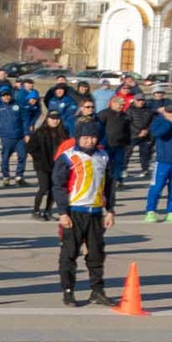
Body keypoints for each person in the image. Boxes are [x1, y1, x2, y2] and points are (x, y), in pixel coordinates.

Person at [53, 115, 114, 307]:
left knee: (96, 254)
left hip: (95, 212)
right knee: (69, 254)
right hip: (74, 212)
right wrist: (63, 212)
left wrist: (110, 210)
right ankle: (68, 291)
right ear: (78, 138)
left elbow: (109, 186)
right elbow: (58, 185)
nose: (90, 140)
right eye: (86, 137)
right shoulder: (69, 157)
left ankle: (97, 291)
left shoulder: (103, 156)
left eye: (93, 137)